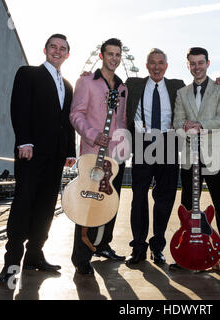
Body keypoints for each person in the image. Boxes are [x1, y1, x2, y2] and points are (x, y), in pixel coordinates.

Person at [0, 34, 76, 286]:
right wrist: (24, 141)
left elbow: (67, 121)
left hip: (56, 157)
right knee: (23, 205)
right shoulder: (28, 74)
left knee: (45, 207)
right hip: (31, 152)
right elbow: (19, 107)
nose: (57, 51)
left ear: (67, 54)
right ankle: (11, 263)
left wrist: (70, 151)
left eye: (62, 48)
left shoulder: (68, 85)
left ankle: (34, 255)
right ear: (45, 49)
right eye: (53, 47)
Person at [173, 47, 220, 274]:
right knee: (187, 209)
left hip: (216, 158)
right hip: (189, 159)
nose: (197, 67)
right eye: (192, 63)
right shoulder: (181, 93)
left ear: (208, 63)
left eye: (201, 62)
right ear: (188, 65)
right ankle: (185, 254)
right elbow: (177, 123)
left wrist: (199, 125)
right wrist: (185, 127)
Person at [69, 38, 129, 275]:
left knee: (110, 203)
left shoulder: (122, 88)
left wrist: (124, 149)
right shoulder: (86, 82)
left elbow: (122, 121)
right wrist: (94, 135)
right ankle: (81, 257)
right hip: (93, 154)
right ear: (102, 55)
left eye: (118, 55)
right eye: (110, 54)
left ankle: (103, 245)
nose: (114, 58)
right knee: (88, 205)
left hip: (116, 158)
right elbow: (76, 114)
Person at [125, 48, 185, 265]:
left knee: (165, 198)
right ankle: (138, 247)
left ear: (166, 66)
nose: (156, 66)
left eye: (161, 62)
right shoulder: (133, 84)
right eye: (152, 63)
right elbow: (109, 85)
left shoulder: (178, 85)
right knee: (138, 196)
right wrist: (88, 76)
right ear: (146, 65)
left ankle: (157, 246)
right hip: (143, 142)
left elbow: (199, 94)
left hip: (168, 143)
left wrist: (219, 83)